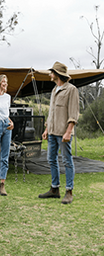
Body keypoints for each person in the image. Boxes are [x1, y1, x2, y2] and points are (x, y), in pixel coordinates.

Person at [38, 61, 79, 204]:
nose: (50, 74)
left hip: (63, 133)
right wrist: (46, 129)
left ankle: (69, 191)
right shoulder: (54, 90)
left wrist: (68, 132)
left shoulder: (71, 89)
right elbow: (52, 113)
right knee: (51, 159)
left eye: (51, 72)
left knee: (67, 161)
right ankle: (54, 189)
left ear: (57, 74)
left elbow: (73, 113)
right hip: (52, 132)